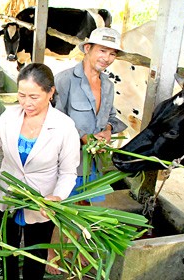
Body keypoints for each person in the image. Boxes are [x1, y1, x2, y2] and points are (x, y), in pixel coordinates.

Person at [0, 63, 80, 280]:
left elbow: (68, 173)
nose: (26, 103)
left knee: (35, 254)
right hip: (8, 195)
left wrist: (56, 197)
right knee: (8, 249)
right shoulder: (10, 116)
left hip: (41, 202)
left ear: (50, 92)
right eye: (21, 95)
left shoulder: (65, 127)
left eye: (34, 97)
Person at [46, 27, 128, 275]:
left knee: (89, 206)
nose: (107, 57)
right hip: (67, 159)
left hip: (95, 160)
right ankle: (53, 253)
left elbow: (112, 117)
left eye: (113, 53)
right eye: (103, 50)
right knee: (60, 206)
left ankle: (78, 248)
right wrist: (81, 136)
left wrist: (108, 130)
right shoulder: (64, 80)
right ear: (87, 48)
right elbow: (53, 120)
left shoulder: (108, 85)